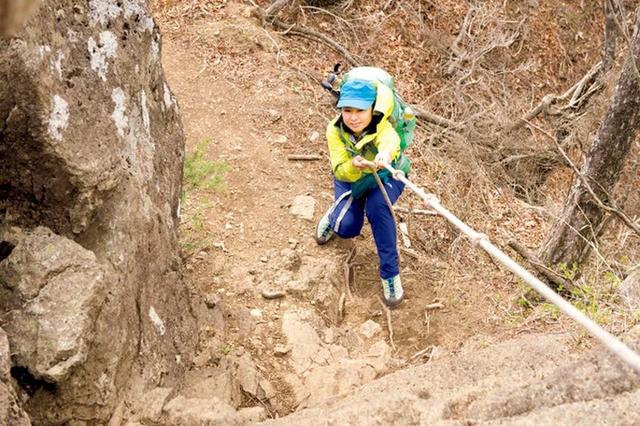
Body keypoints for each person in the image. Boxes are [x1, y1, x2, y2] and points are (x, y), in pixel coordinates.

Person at [315, 78, 411, 307]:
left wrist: (385, 155)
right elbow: (339, 169)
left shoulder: (382, 126)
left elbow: (391, 141)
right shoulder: (335, 130)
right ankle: (333, 216)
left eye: (360, 110)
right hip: (352, 177)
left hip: (387, 175)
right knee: (346, 228)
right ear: (340, 109)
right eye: (348, 110)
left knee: (378, 209)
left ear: (372, 109)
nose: (354, 117)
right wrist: (354, 166)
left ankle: (390, 275)